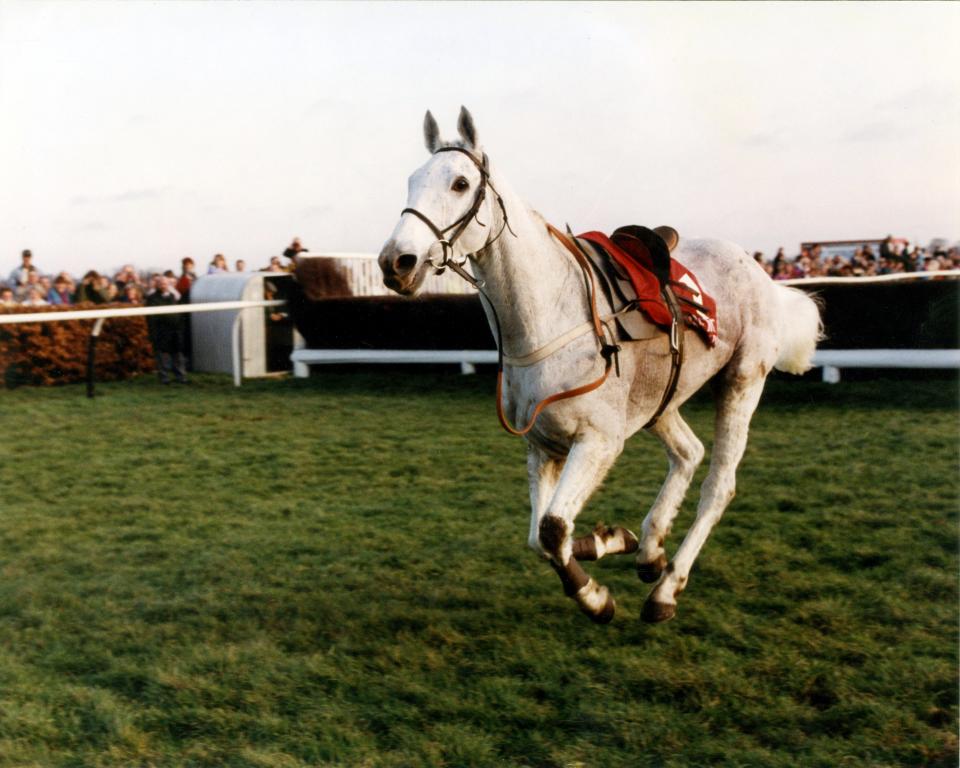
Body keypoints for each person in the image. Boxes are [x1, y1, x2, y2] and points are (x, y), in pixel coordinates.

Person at [145, 275, 187, 384]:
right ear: (157, 285)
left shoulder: (173, 296)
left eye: (165, 283)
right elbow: (151, 317)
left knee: (178, 354)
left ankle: (181, 377)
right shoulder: (152, 298)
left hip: (174, 329)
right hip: (160, 330)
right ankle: (164, 378)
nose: (163, 285)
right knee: (161, 356)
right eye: (161, 283)